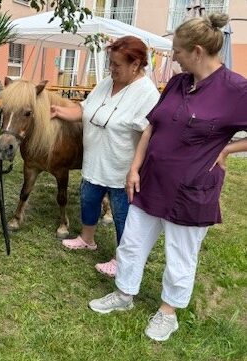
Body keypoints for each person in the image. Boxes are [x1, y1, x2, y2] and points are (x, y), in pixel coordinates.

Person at [88, 14, 247, 342]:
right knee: (131, 243)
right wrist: (134, 167)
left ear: (198, 51)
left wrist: (228, 150)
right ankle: (124, 294)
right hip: (151, 181)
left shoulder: (235, 89)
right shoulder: (178, 82)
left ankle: (167, 313)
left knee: (180, 255)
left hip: (191, 190)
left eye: (177, 50)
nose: (172, 56)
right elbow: (152, 125)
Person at [51, 36, 160, 277]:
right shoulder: (106, 83)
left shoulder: (147, 93)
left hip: (121, 169)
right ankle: (87, 239)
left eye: (117, 65)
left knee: (123, 216)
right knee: (89, 202)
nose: (112, 69)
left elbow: (149, 134)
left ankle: (122, 258)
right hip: (94, 163)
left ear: (136, 64)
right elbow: (83, 109)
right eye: (110, 63)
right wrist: (60, 111)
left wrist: (136, 169)